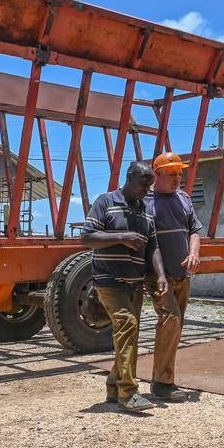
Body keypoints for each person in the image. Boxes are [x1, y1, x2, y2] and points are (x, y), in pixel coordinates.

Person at [81, 162, 169, 413]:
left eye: (150, 184)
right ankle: (128, 392)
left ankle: (113, 387)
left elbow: (153, 247)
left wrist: (160, 275)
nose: (147, 188)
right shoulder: (105, 202)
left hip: (134, 282)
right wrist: (122, 237)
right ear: (129, 177)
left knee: (128, 334)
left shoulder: (146, 211)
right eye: (143, 182)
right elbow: (86, 237)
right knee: (128, 325)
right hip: (109, 280)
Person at [143, 152, 203, 403]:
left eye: (180, 173)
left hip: (182, 274)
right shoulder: (144, 201)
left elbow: (195, 231)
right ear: (157, 174)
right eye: (173, 174)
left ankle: (163, 378)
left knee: (175, 326)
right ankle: (162, 383)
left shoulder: (183, 198)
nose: (178, 178)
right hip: (158, 275)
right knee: (171, 319)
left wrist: (194, 254)